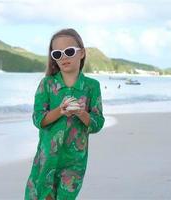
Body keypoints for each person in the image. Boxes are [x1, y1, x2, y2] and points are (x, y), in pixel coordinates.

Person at [24, 28, 105, 200]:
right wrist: (60, 111)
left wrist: (81, 113)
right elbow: (38, 119)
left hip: (74, 161)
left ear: (81, 53)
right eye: (57, 54)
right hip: (46, 159)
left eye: (69, 51)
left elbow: (97, 123)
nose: (64, 57)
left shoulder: (92, 87)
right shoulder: (47, 84)